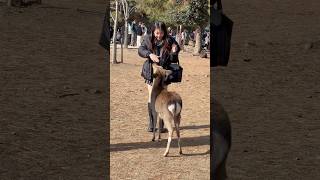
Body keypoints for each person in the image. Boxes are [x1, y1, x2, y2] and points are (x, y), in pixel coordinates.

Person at [138, 21, 180, 132]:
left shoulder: (170, 40)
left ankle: (161, 127)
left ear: (164, 32)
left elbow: (173, 58)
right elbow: (140, 50)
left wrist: (174, 52)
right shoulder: (148, 38)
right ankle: (152, 125)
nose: (159, 35)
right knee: (151, 97)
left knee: (163, 98)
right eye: (157, 33)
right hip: (151, 73)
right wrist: (149, 54)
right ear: (153, 31)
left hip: (164, 74)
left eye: (161, 33)